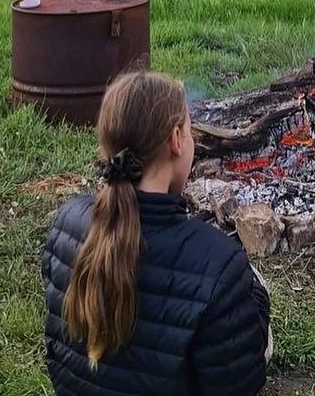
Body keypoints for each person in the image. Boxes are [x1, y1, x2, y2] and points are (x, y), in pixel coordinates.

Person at [42, 70, 271, 395]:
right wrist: (256, 298)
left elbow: (56, 351)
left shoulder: (66, 223)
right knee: (251, 285)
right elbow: (238, 384)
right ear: (177, 140)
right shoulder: (218, 263)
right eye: (190, 132)